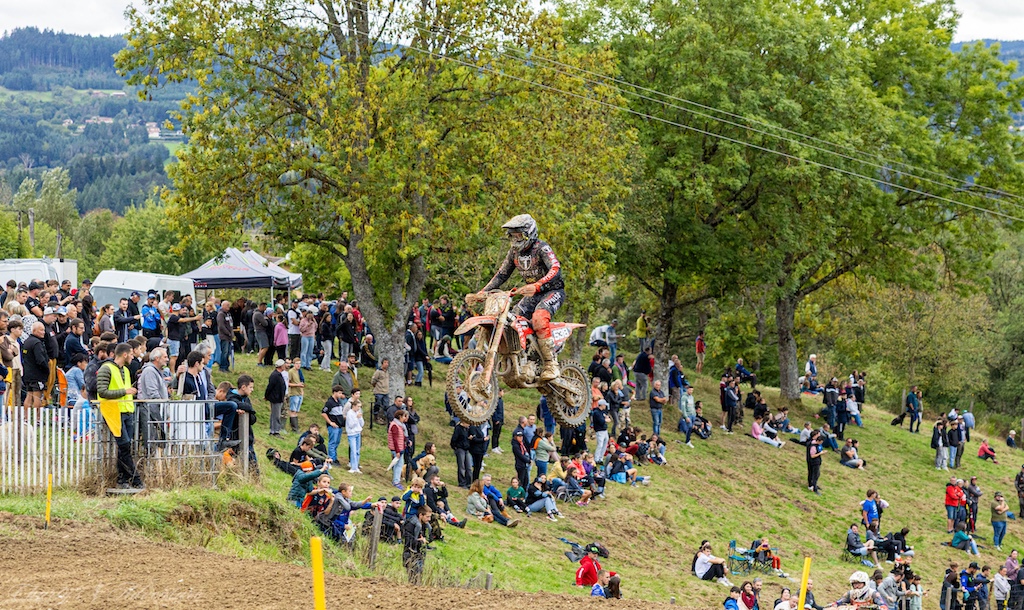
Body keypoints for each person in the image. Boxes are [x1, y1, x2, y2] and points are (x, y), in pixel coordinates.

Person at [469, 214, 565, 382]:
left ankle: (551, 364)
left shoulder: (541, 248)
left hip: (552, 291)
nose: (515, 239)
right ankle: (524, 357)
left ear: (529, 233)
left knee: (539, 318)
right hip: (531, 294)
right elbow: (501, 274)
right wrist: (482, 293)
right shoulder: (514, 252)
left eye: (519, 235)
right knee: (511, 321)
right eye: (512, 235)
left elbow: (555, 268)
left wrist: (537, 285)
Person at [96, 342, 142, 489]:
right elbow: (102, 391)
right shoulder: (106, 369)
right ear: (124, 354)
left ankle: (123, 480)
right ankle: (135, 479)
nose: (133, 357)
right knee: (124, 446)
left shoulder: (126, 371)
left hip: (126, 410)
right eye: (131, 354)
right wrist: (125, 392)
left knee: (125, 447)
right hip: (114, 412)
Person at [402, 505, 431, 584]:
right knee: (413, 577)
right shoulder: (410, 525)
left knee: (419, 577)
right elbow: (408, 541)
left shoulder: (425, 525)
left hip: (420, 554)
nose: (429, 519)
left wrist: (425, 540)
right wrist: (420, 541)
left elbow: (429, 538)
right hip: (410, 553)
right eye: (427, 517)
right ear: (421, 515)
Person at [264, 359, 287, 436]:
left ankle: (274, 430)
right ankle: (275, 431)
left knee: (275, 414)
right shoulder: (275, 375)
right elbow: (270, 387)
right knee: (276, 415)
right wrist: (266, 396)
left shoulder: (278, 375)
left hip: (278, 398)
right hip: (275, 398)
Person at [345, 393, 364, 473]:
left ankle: (356, 467)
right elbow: (351, 425)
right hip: (352, 434)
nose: (359, 408)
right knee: (353, 450)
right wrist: (356, 418)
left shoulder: (357, 413)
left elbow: (362, 424)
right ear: (354, 406)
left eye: (360, 407)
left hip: (358, 433)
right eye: (358, 406)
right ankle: (353, 467)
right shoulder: (350, 413)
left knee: (357, 451)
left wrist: (360, 418)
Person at [806, 430, 824, 495]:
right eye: (818, 435)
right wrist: (820, 453)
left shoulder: (814, 443)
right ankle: (812, 486)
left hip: (814, 460)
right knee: (812, 473)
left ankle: (813, 484)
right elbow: (812, 455)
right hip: (812, 460)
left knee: (816, 473)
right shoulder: (811, 443)